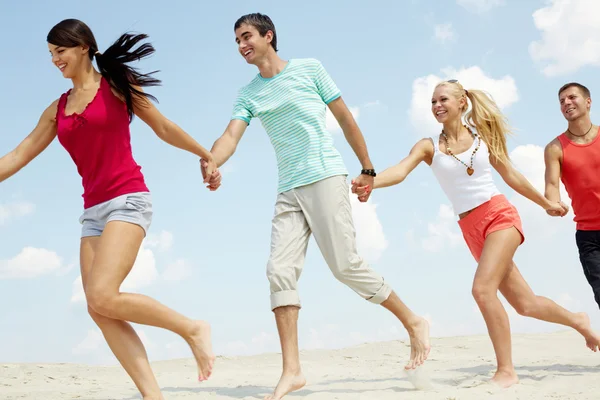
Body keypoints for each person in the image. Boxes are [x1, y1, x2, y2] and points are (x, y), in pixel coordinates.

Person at [201, 12, 430, 400]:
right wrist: (212, 160)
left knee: (345, 266)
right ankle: (292, 370)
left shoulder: (310, 69)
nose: (241, 46)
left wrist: (369, 169)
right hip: (288, 189)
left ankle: (413, 321)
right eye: (237, 41)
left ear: (268, 36)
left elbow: (345, 118)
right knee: (279, 271)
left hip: (325, 176)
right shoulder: (249, 93)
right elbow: (230, 135)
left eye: (247, 37)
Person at [0, 19, 217, 400]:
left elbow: (163, 127)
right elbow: (19, 154)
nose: (54, 60)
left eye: (60, 51)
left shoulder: (116, 87)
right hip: (93, 212)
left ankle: (192, 328)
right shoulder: (58, 109)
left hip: (128, 197)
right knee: (99, 309)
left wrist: (205, 154)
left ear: (83, 47)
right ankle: (154, 395)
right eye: (50, 54)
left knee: (102, 294)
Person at [353, 79, 600, 388]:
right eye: (432, 101)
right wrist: (371, 182)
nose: (437, 105)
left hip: (499, 216)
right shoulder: (428, 145)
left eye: (443, 99)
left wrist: (545, 202)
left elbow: (511, 174)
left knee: (482, 290)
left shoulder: (483, 139)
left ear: (461, 103)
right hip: (471, 228)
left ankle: (506, 371)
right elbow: (401, 171)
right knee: (526, 304)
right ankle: (578, 320)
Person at [544, 82, 600, 310]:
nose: (566, 102)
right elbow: (551, 186)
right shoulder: (555, 148)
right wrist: (552, 204)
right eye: (561, 100)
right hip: (590, 238)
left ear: (588, 102)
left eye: (572, 97)